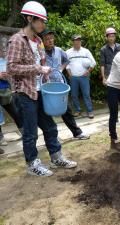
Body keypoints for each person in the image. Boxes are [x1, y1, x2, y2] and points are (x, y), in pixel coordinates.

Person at [6, 1, 77, 176]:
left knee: (50, 127)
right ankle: (32, 164)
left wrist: (45, 72)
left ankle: (56, 157)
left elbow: (41, 61)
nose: (43, 25)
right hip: (25, 92)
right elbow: (11, 68)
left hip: (41, 91)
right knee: (30, 132)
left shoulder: (38, 41)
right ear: (30, 18)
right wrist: (37, 68)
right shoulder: (16, 40)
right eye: (41, 21)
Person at [40, 29, 90, 140]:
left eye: (51, 38)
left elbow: (67, 60)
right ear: (42, 41)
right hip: (46, 85)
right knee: (47, 111)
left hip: (59, 84)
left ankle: (77, 133)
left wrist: (61, 69)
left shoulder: (59, 50)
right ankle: (52, 136)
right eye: (47, 39)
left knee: (66, 109)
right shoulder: (40, 52)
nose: (50, 41)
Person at [66, 35, 96, 119]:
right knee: (74, 95)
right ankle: (77, 110)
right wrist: (70, 74)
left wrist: (88, 71)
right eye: (76, 40)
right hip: (73, 77)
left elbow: (93, 62)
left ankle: (90, 111)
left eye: (79, 40)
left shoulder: (86, 51)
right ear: (73, 42)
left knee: (86, 94)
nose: (78, 42)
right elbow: (66, 64)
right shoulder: (68, 52)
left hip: (84, 77)